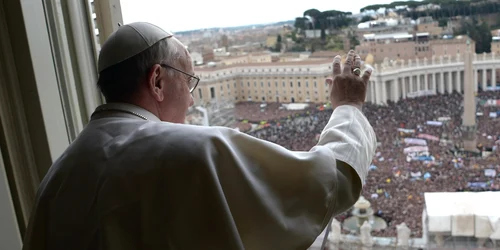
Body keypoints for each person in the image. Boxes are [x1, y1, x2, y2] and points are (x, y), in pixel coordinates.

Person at [22, 22, 376, 250]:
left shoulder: (56, 178)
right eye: (188, 81)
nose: (192, 99)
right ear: (157, 81)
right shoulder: (193, 150)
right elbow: (331, 182)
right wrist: (347, 107)